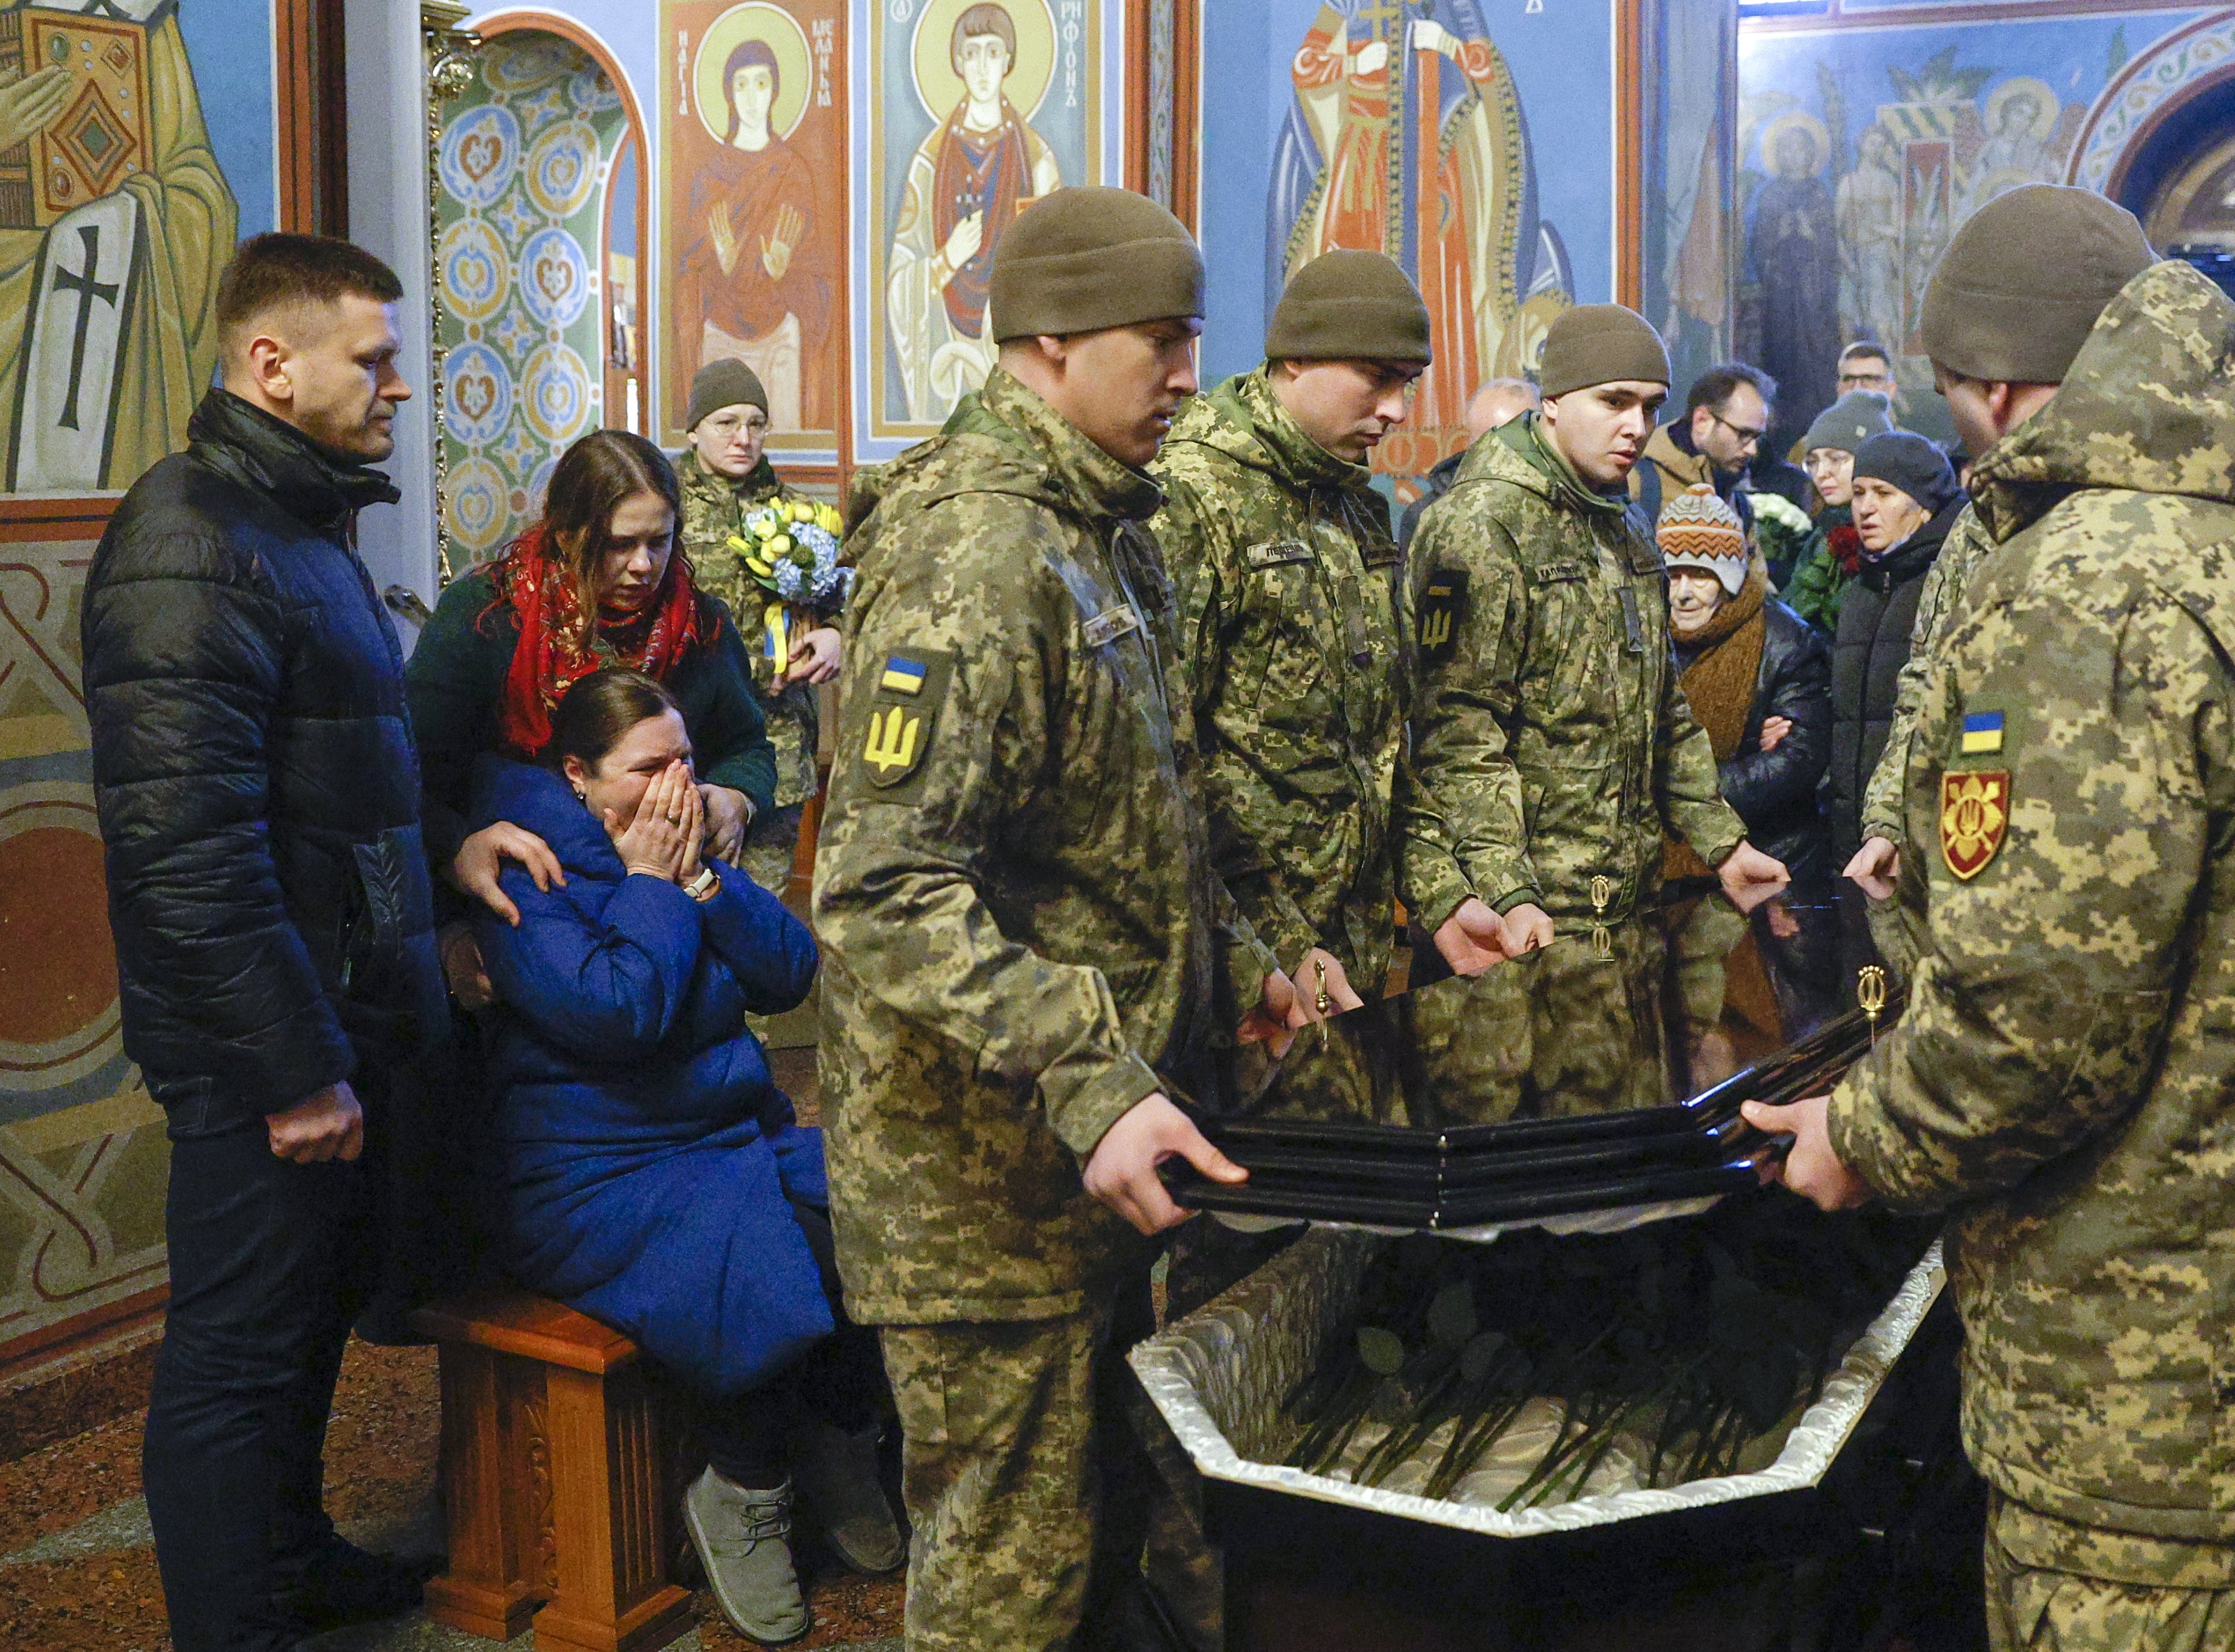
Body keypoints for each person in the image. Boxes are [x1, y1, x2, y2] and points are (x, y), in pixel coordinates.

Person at [1742, 185, 2235, 1649]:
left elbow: (2040, 1014)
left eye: (1956, 402)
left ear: (2005, 383)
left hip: (2139, 1373)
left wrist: (1865, 1133)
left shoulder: (2088, 583)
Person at [812, 187, 1302, 1651]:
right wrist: (1095, 1075)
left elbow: (1135, 822)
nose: (1185, 378)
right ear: (1046, 338)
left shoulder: (1100, 525)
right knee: (1005, 1588)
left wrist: (1246, 972)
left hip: (1087, 1164)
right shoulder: (976, 548)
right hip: (979, 1193)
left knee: (1112, 1557)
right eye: (1159, 342)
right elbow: (882, 884)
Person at [83, 233, 445, 1649]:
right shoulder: (191, 539)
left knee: (298, 1333)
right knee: (236, 1354)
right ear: (270, 364)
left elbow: (338, 775)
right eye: (374, 357)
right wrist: (294, 1064)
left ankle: (291, 1558)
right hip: (266, 1045)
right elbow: (189, 853)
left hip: (330, 1007)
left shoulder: (292, 523)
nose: (398, 386)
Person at [469, 669, 898, 1644]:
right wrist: (654, 886)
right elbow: (620, 1011)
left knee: (882, 1201)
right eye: (647, 766)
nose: (675, 785)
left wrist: (705, 882)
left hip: (717, 1142)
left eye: (687, 762)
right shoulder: (529, 870)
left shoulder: (682, 846)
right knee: (785, 1247)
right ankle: (743, 1484)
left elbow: (791, 970)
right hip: (589, 1178)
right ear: (578, 775)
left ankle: (838, 1435)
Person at [1397, 302, 1790, 980]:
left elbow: (1662, 708)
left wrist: (1722, 843)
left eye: (1649, 406)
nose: (1635, 427)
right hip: (1521, 918)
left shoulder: (1625, 525)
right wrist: (1507, 891)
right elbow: (1456, 737)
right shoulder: (1480, 524)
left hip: (1624, 904)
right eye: (1613, 402)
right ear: (1551, 402)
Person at [1149, 248, 1430, 1124]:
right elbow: (1168, 763)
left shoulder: (1351, 505)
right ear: (1296, 357)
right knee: (1234, 1222)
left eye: (1408, 383)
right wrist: (1272, 945)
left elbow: (1380, 734)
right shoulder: (1193, 493)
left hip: (1344, 941)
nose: (1394, 411)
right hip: (1243, 954)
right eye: (1376, 379)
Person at [405, 430, 777, 999]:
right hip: (520, 897)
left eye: (661, 542)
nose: (642, 565)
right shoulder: (487, 616)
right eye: (617, 544)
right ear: (566, 533)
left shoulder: (700, 625)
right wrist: (457, 849)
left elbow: (747, 744)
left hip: (660, 891)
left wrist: (735, 796)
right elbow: (411, 769)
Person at [676, 358, 845, 896]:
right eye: (727, 423)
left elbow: (841, 599)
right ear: (695, 429)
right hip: (688, 738)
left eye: (756, 423)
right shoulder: (662, 508)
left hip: (779, 743)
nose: (743, 438)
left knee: (760, 911)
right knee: (683, 903)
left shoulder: (802, 515)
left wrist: (837, 635)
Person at [885, 1, 1062, 423]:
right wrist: (948, 259)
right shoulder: (928, 165)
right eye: (971, 53)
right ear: (957, 64)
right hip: (946, 341)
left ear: (1009, 61)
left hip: (1013, 347)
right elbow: (900, 280)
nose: (982, 66)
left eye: (992, 52)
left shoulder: (1038, 161)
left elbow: (1058, 272)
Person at [1659, 484, 1831, 887]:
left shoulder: (1785, 640)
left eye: (1701, 575)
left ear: (1731, 578)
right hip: (1661, 872)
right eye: (1673, 575)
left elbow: (1797, 759)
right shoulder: (1646, 638)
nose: (1683, 593)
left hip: (1770, 855)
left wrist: (1672, 793)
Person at [673, 36, 836, 431]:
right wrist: (719, 264)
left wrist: (785, 270)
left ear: (775, 91)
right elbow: (690, 269)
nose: (751, 97)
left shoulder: (792, 172)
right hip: (721, 333)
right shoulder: (711, 176)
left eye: (760, 83)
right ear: (729, 93)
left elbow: (815, 267)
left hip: (780, 331)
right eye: (741, 84)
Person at [1824, 431, 1963, 874]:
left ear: (1924, 506)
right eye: (1860, 492)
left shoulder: (1946, 586)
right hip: (1852, 834)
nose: (1865, 507)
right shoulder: (1860, 588)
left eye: (1884, 494)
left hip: (1920, 837)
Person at [1783, 390, 1896, 633]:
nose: (1822, 473)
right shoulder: (1820, 534)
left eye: (1836, 459)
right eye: (1813, 461)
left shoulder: (1888, 539)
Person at [1628, 360, 1776, 528]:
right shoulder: (1638, 482)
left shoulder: (1740, 505)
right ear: (1702, 420)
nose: (1752, 450)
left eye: (1758, 438)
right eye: (1743, 434)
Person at [1397, 378, 1538, 550]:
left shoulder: (1566, 503)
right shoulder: (1426, 518)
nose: (1502, 458)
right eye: (1487, 445)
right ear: (1470, 445)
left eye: (1517, 446)